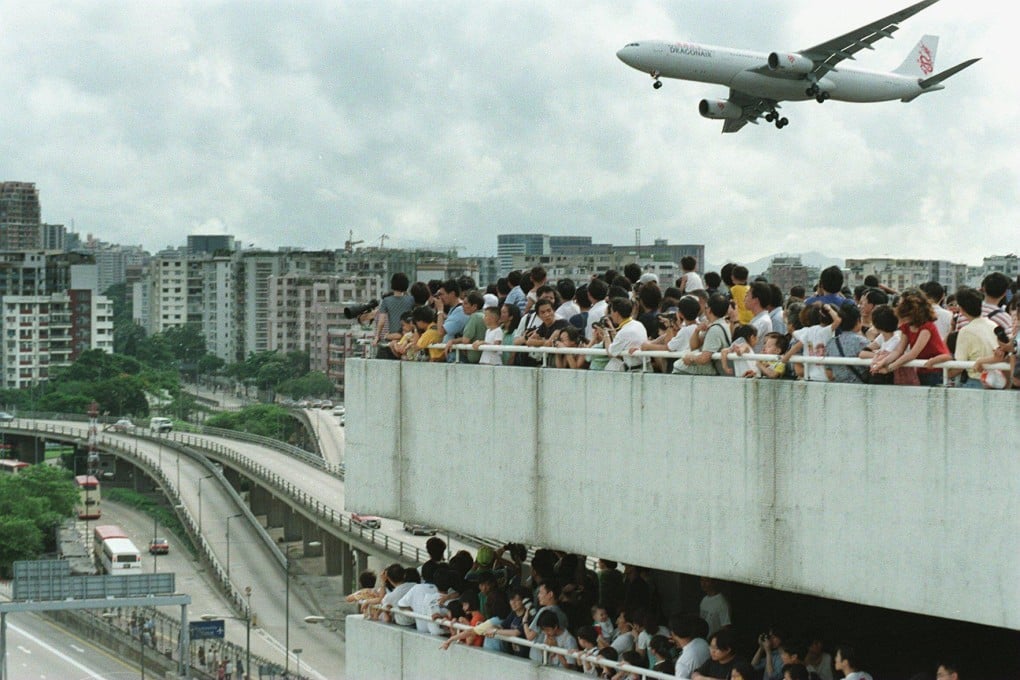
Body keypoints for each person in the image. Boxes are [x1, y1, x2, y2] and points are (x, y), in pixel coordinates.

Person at [880, 288, 951, 386]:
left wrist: (889, 368)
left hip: (934, 371)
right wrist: (883, 363)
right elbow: (898, 350)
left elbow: (912, 354)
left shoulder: (927, 326)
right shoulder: (906, 326)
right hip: (922, 369)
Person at [677, 294, 731, 376]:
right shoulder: (720, 325)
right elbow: (694, 346)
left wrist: (691, 358)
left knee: (677, 367)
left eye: (706, 307)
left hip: (717, 375)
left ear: (709, 310)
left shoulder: (715, 329)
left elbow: (705, 358)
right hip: (719, 374)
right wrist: (697, 331)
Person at [373, 272, 415, 359]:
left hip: (392, 337)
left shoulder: (386, 301)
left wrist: (377, 336)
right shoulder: (411, 300)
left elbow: (382, 321)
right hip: (407, 338)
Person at [605, 297, 648, 371]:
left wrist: (605, 333)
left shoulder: (624, 331)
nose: (610, 315)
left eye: (611, 312)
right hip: (643, 368)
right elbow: (621, 341)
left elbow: (611, 352)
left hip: (633, 371)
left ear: (616, 313)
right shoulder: (638, 324)